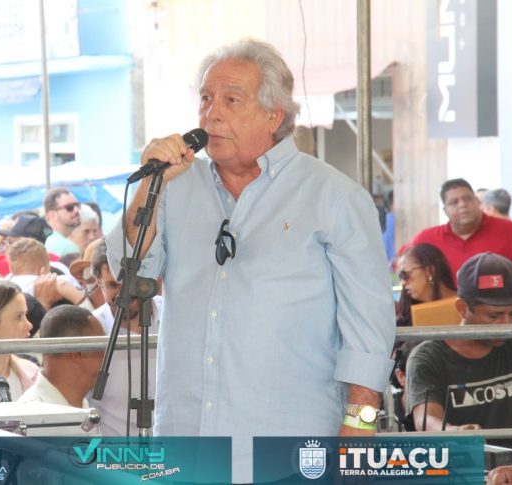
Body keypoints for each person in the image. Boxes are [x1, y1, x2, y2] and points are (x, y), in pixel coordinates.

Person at [106, 38, 395, 482]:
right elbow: (129, 271)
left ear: (273, 115)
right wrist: (151, 184)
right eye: (205, 99)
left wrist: (357, 435)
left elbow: (369, 336)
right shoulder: (175, 186)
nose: (211, 114)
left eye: (231, 100)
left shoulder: (333, 197)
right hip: (187, 441)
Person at [406, 253, 512, 449]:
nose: (506, 323)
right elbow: (425, 419)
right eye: (494, 315)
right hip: (462, 462)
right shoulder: (428, 357)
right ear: (462, 308)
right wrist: (455, 432)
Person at [90, 239, 160, 436]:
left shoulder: (173, 316)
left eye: (130, 282)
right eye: (113, 285)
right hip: (113, 448)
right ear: (98, 282)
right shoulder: (93, 328)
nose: (124, 293)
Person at [411, 178, 512, 288]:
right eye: (454, 202)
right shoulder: (427, 240)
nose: (463, 205)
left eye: (468, 199)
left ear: (478, 202)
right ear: (445, 210)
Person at [19, 305, 104, 408]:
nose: (106, 356)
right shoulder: (32, 412)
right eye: (101, 347)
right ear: (77, 353)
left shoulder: (80, 404)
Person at [395, 243, 457, 327]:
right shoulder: (404, 318)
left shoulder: (467, 306)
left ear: (430, 271)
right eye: (401, 276)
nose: (403, 282)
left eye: (405, 273)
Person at [43, 188, 82, 258]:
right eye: (69, 207)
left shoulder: (43, 240)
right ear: (52, 215)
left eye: (77, 205)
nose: (76, 210)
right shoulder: (68, 248)